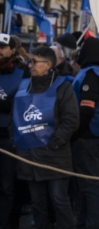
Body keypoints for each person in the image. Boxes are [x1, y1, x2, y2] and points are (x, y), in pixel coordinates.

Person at [12, 46, 79, 229]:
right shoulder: (24, 86)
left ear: (48, 65)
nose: (30, 65)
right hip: (28, 157)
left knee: (59, 201)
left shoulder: (63, 87)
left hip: (54, 156)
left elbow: (71, 120)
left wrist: (54, 144)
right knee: (37, 204)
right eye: (29, 61)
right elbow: (15, 118)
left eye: (34, 62)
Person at [70, 37, 99, 229]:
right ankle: (85, 222)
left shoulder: (90, 74)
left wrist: (74, 134)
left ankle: (92, 224)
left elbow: (87, 109)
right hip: (93, 135)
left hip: (86, 136)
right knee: (85, 184)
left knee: (88, 186)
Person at [0, 34, 30, 229]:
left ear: (12, 50)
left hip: (7, 137)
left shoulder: (24, 72)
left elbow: (21, 104)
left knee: (6, 186)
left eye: (2, 48)